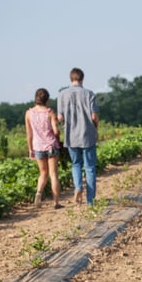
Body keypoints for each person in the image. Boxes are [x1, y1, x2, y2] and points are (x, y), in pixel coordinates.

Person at [57, 67, 99, 206]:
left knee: (76, 164)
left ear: (71, 78)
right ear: (82, 79)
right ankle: (90, 201)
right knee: (90, 168)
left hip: (71, 136)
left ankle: (78, 187)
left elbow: (60, 117)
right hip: (87, 135)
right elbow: (94, 116)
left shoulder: (62, 95)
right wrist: (95, 128)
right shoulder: (89, 94)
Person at [25, 88, 62, 209]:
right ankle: (56, 202)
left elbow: (29, 134)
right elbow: (56, 131)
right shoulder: (50, 112)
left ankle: (39, 193)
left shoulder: (29, 113)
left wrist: (31, 149)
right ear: (47, 100)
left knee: (43, 173)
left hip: (38, 147)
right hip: (51, 146)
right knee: (53, 174)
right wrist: (58, 136)